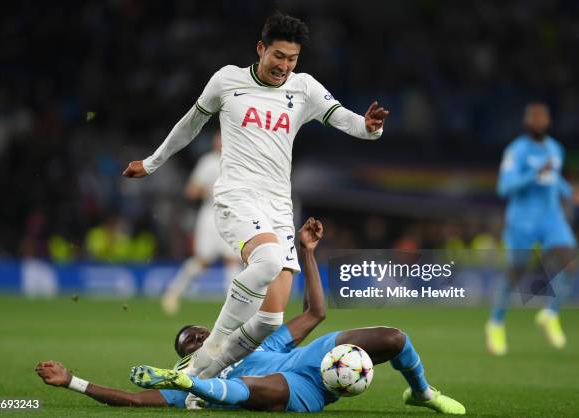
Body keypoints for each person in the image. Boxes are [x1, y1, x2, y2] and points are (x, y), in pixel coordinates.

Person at [122, 12, 389, 379]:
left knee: (270, 319)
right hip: (237, 195)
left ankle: (201, 378)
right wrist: (152, 163)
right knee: (265, 262)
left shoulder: (305, 87)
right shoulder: (227, 80)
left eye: (292, 59)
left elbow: (348, 120)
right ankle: (210, 349)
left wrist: (369, 127)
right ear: (261, 49)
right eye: (278, 56)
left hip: (278, 205)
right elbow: (190, 124)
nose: (284, 66)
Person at [36, 218, 465, 414]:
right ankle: (209, 390)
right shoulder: (181, 379)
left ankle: (423, 395)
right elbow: (130, 399)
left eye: (200, 331)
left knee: (393, 337)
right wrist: (71, 381)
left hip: (314, 360)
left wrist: (309, 254)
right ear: (186, 357)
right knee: (254, 388)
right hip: (297, 391)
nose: (199, 336)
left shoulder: (258, 340)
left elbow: (316, 312)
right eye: (190, 341)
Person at [486, 102, 577, 355]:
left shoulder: (555, 148)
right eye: (534, 117)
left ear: (548, 121)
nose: (539, 121)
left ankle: (550, 314)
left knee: (570, 262)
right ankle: (496, 323)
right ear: (527, 121)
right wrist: (534, 172)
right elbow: (504, 188)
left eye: (543, 117)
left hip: (551, 219)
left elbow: (554, 179)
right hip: (522, 221)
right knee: (515, 273)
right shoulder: (516, 150)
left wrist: (570, 192)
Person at [161, 131, 242, 314]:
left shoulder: (239, 162)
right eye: (218, 138)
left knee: (232, 259)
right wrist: (209, 191)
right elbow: (190, 191)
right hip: (210, 216)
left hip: (233, 216)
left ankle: (234, 306)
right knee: (203, 260)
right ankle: (173, 292)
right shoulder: (208, 162)